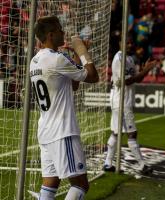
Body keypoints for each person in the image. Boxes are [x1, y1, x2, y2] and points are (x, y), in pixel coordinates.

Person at [30, 16, 99, 199]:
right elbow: (93, 76)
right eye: (60, 30)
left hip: (46, 131)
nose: (64, 33)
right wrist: (81, 50)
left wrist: (75, 57)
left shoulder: (35, 60)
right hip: (62, 131)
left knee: (50, 185)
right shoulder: (57, 59)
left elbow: (74, 84)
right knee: (81, 184)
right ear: (51, 35)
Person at [103, 38, 157, 174]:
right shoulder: (119, 59)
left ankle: (108, 163)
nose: (130, 44)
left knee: (116, 132)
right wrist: (146, 70)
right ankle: (141, 165)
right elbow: (128, 81)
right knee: (132, 133)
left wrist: (144, 70)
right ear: (120, 43)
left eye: (130, 42)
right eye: (126, 42)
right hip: (122, 101)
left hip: (122, 99)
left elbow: (135, 78)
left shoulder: (129, 59)